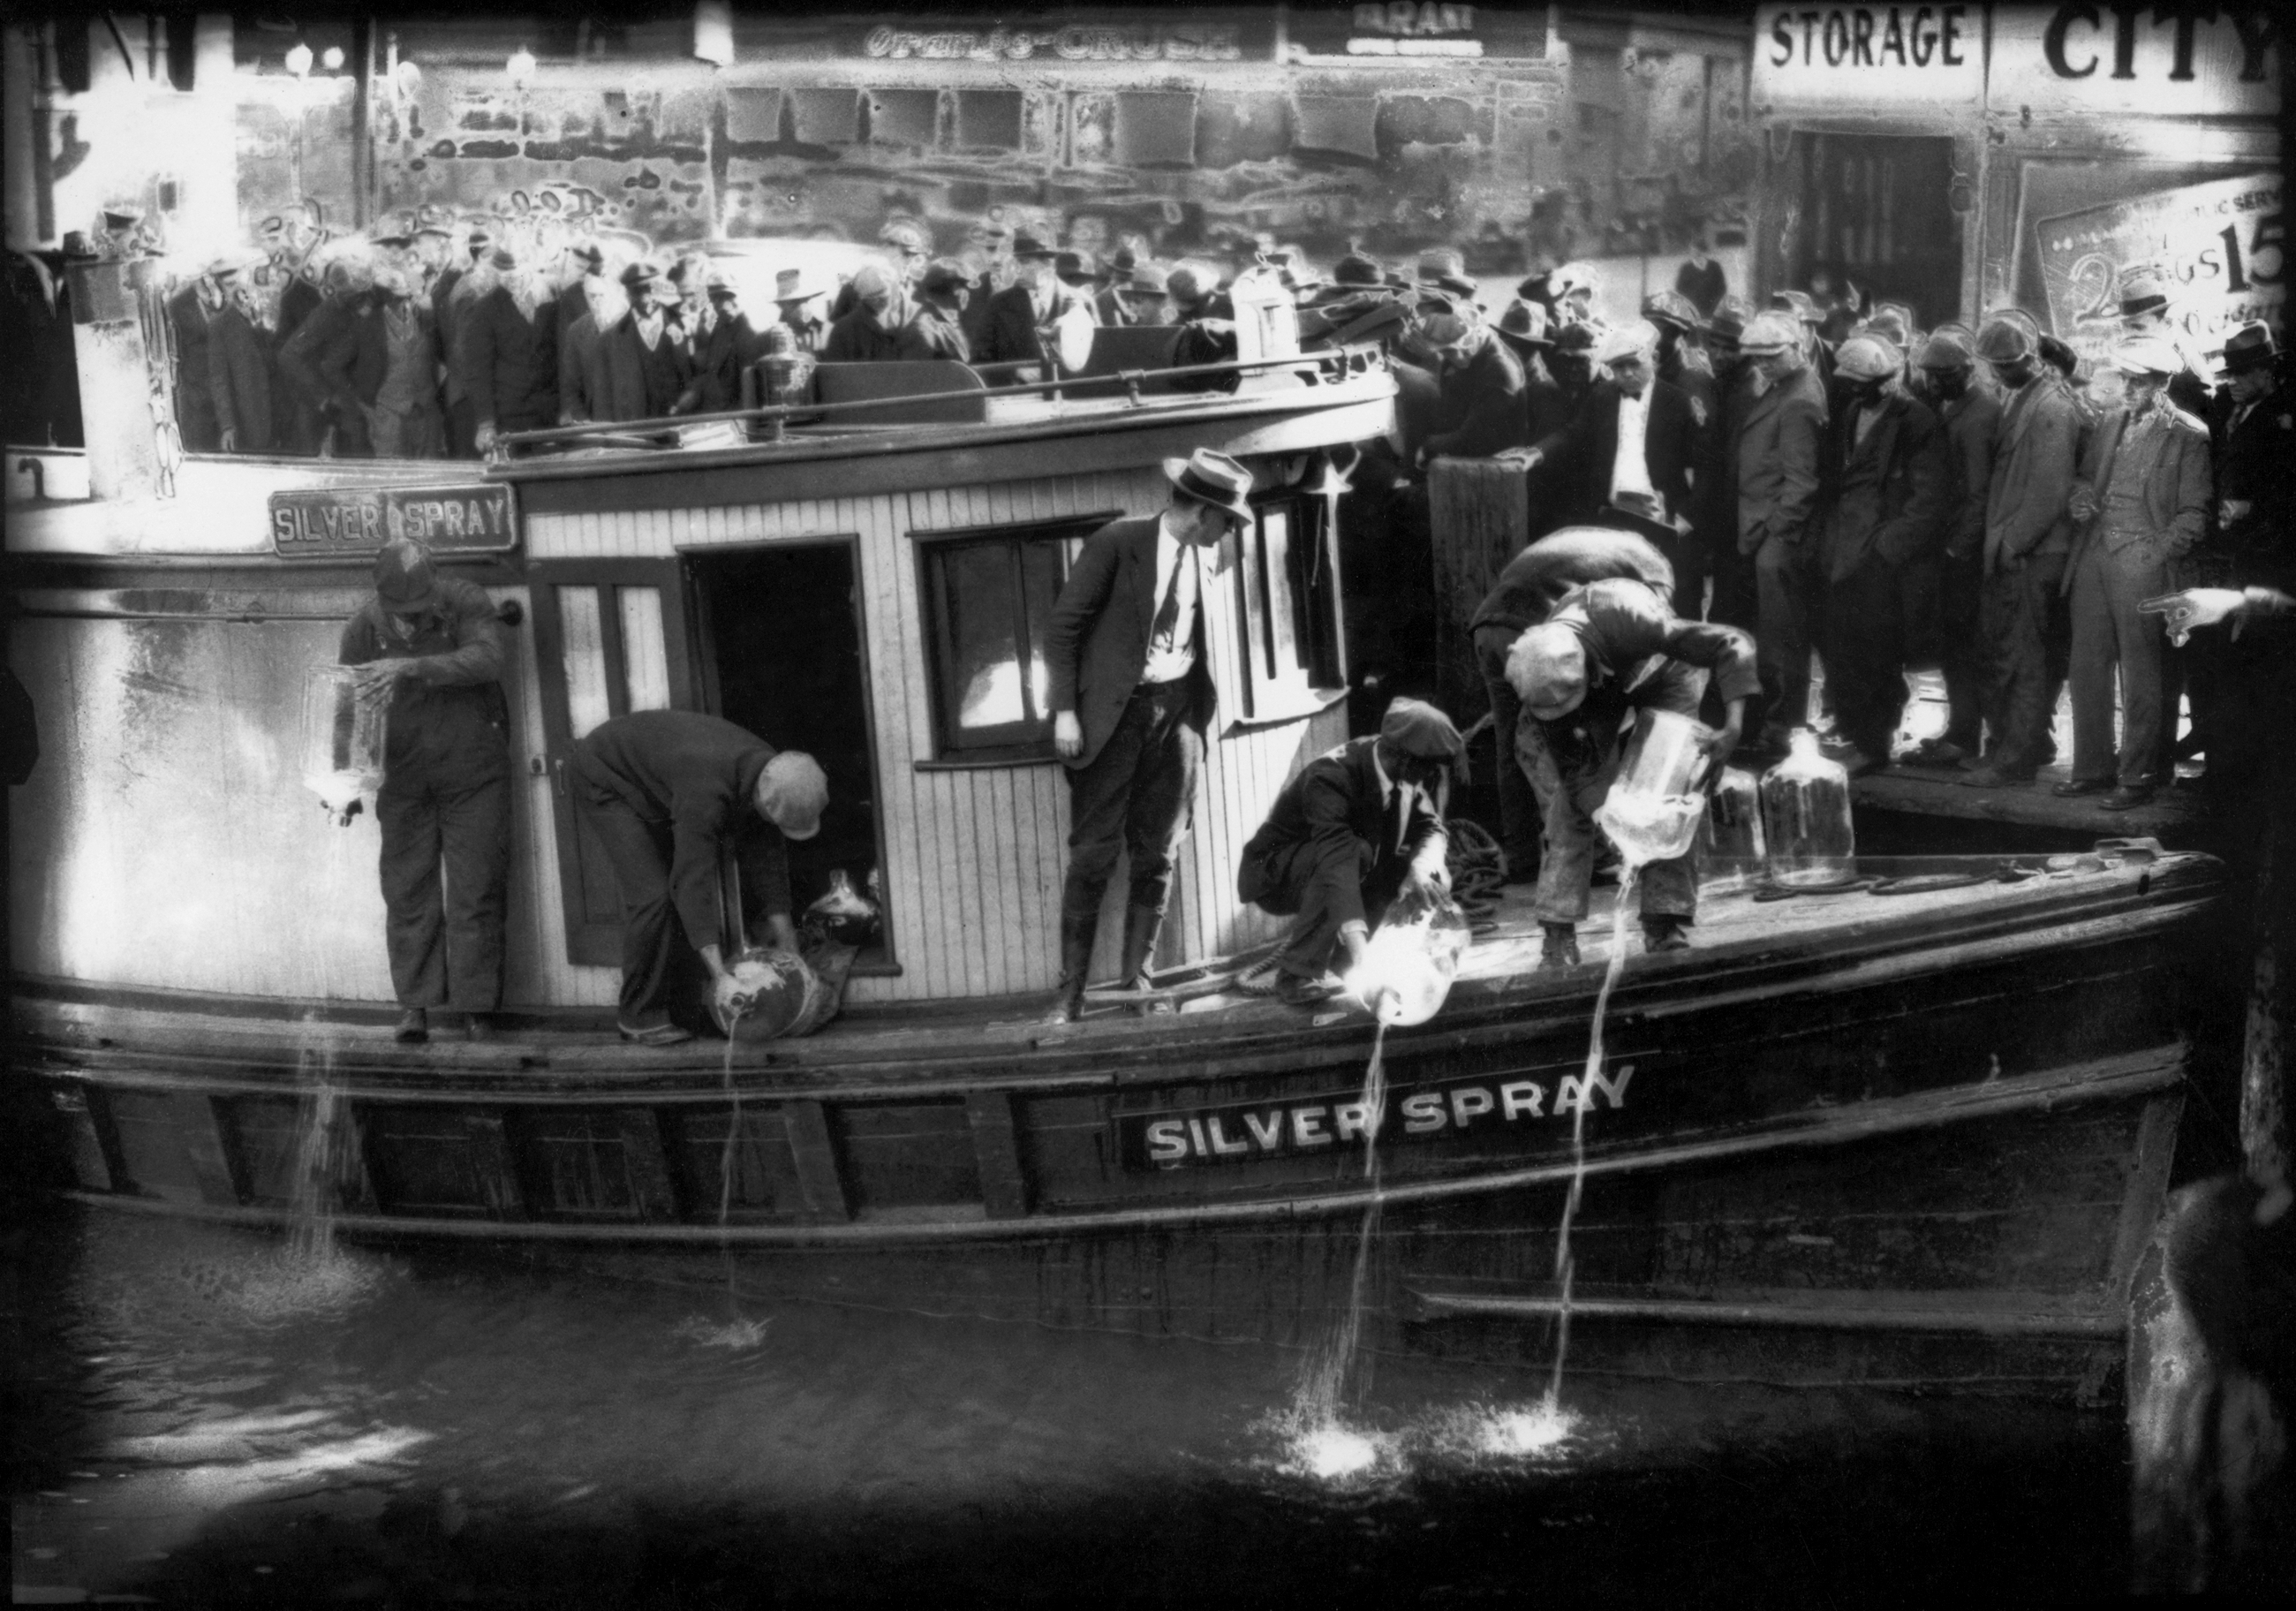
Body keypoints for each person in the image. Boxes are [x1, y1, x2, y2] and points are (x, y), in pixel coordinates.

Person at [1040, 449, 1251, 1023]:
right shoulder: (1117, 543)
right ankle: (1071, 996)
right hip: (1111, 720)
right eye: (1228, 521)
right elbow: (1061, 631)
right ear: (1204, 512)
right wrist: (1064, 712)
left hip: (1176, 713)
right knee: (1092, 857)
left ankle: (1139, 984)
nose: (1230, 533)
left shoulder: (1207, 555)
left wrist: (1188, 720)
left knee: (1157, 854)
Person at [1507, 575, 1756, 966]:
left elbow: (1732, 642)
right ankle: (1558, 933)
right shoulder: (1542, 672)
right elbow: (1577, 772)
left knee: (1670, 792)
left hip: (1661, 671)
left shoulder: (1633, 619)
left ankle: (1664, 922)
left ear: (1587, 671)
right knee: (1567, 808)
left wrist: (1733, 726)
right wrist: (1604, 815)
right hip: (1600, 689)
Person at [339, 540, 512, 1045]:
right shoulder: (362, 629)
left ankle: (477, 1008)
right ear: (381, 596)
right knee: (407, 892)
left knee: (476, 890)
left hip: (474, 775)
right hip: (404, 781)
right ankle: (415, 1007)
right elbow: (345, 708)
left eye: (420, 609)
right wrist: (344, 782)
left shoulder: (466, 600)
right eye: (403, 612)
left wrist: (412, 666)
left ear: (435, 586)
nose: (412, 621)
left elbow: (486, 659)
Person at [571, 709, 829, 1047]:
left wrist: (787, 940)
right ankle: (638, 1016)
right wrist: (722, 978)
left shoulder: (771, 770)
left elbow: (767, 857)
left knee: (674, 887)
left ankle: (683, 1005)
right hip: (603, 772)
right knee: (654, 895)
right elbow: (691, 882)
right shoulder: (705, 791)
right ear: (763, 803)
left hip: (658, 772)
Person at [2054, 337, 2211, 809]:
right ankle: (2091, 769)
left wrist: (2153, 555)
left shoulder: (2189, 434)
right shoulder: (2109, 422)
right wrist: (2080, 498)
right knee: (2086, 667)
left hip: (2143, 562)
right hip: (2095, 555)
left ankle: (2139, 775)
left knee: (2143, 672)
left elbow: (2193, 515)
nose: (2124, 387)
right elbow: (2084, 479)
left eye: (2134, 381)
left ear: (2159, 384)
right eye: (2123, 378)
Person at [1469, 528, 1676, 882]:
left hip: (1487, 629)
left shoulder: (1593, 542)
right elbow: (1652, 650)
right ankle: (1596, 858)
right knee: (1577, 746)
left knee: (1508, 746)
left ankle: (1521, 857)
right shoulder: (1656, 575)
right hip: (1543, 633)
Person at [1237, 698, 1461, 1008]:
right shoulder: (1330, 777)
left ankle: (1346, 959)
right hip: (1280, 872)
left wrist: (1421, 867)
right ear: (1404, 759)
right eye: (1428, 767)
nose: (1431, 776)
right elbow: (1337, 865)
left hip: (1345, 863)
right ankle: (1297, 973)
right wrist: (1365, 961)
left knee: (1416, 874)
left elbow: (1431, 828)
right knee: (1355, 854)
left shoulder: (1397, 765)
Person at [1816, 334, 1949, 775]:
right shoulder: (1853, 411)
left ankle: (1873, 746)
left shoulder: (1916, 420)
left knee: (1878, 655)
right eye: (1850, 384)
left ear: (1888, 379)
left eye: (1862, 384)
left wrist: (1887, 550)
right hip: (1845, 554)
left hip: (1880, 560)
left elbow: (1928, 500)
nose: (1854, 391)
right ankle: (1855, 734)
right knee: (1846, 652)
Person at [1962, 315, 2082, 788]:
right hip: (2021, 550)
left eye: (2005, 365)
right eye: (1993, 366)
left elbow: (2050, 491)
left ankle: (2014, 762)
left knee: (2024, 661)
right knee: (2014, 656)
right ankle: (2021, 747)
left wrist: (2013, 544)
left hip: (2033, 553)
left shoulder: (2051, 407)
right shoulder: (2025, 398)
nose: (1997, 374)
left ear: (2030, 358)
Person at [1501, 321, 1699, 605]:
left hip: (1661, 513)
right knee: (1618, 592)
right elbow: (1572, 433)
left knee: (1671, 590)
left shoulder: (1678, 401)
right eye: (1619, 367)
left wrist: (1686, 514)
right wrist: (1536, 453)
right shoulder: (1603, 396)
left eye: (1634, 364)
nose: (1628, 373)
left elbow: (1702, 464)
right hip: (1615, 510)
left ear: (1653, 359)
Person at [1900, 330, 2003, 768]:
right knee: (1954, 645)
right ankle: (1961, 730)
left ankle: (1965, 737)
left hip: (1965, 552)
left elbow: (1979, 494)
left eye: (1938, 376)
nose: (1931, 384)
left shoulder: (1979, 416)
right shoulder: (1956, 405)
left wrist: (1957, 550)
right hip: (1953, 545)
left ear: (1961, 373)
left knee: (1964, 647)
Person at [1731, 312, 1829, 749]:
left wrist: (1776, 536)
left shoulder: (1799, 399)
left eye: (1772, 356)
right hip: (1766, 529)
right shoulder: (1785, 387)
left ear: (1796, 348)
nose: (1764, 365)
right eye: (1757, 358)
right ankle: (1777, 722)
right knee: (1776, 634)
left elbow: (1802, 482)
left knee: (1783, 638)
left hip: (1780, 538)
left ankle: (1783, 726)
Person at [456, 250, 555, 453]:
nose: (511, 282)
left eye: (516, 275)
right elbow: (477, 371)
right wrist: (486, 423)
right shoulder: (484, 310)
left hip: (548, 414)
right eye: (504, 277)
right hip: (510, 416)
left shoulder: (548, 298)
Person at [587, 262, 697, 423]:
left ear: (658, 288)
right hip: (637, 434)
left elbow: (703, 375)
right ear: (627, 294)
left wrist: (692, 394)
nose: (645, 296)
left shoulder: (687, 327)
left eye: (649, 288)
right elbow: (602, 402)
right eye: (637, 291)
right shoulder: (609, 341)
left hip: (684, 428)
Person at [1416, 313, 1529, 465]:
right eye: (1447, 351)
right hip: (1463, 459)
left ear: (1480, 331)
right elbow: (1447, 416)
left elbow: (1475, 437)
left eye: (1466, 344)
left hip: (1493, 468)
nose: (1459, 357)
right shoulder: (1457, 361)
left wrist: (1428, 446)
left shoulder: (1501, 369)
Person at [358, 267, 447, 458]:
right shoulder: (369, 326)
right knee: (393, 474)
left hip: (425, 410)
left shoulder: (422, 315)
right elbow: (356, 371)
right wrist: (369, 411)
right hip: (389, 414)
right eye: (396, 299)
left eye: (405, 297)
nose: (402, 303)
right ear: (384, 299)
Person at [204, 257, 274, 454]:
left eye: (237, 281)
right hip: (254, 418)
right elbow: (219, 380)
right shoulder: (220, 326)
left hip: (286, 413)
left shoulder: (271, 307)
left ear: (247, 276)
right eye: (228, 285)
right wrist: (228, 425)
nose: (235, 289)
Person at [974, 233, 1062, 369]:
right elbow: (980, 355)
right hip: (1017, 388)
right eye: (1015, 262)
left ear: (1048, 264)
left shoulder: (1077, 301)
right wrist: (1014, 372)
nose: (1017, 270)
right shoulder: (999, 303)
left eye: (1024, 261)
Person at [688, 272, 769, 412]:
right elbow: (711, 370)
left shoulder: (752, 332)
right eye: (715, 298)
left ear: (738, 297)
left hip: (736, 415)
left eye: (728, 297)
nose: (722, 304)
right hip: (715, 411)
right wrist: (695, 391)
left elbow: (750, 386)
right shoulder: (720, 329)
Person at [821, 263, 936, 363]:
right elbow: (835, 374)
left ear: (896, 288)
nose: (876, 303)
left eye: (882, 297)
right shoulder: (845, 330)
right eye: (869, 299)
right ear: (861, 297)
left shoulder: (922, 319)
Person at [910, 259, 973, 361]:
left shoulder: (960, 320)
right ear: (940, 289)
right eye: (959, 286)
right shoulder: (925, 327)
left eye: (967, 286)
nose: (966, 292)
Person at [1676, 238, 1726, 321]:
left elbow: (1722, 288)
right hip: (1692, 310)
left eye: (1697, 251)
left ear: (1703, 251)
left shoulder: (1715, 267)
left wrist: (1716, 306)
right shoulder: (1685, 269)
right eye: (1692, 252)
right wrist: (1689, 306)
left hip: (1712, 309)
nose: (1695, 254)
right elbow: (1679, 289)